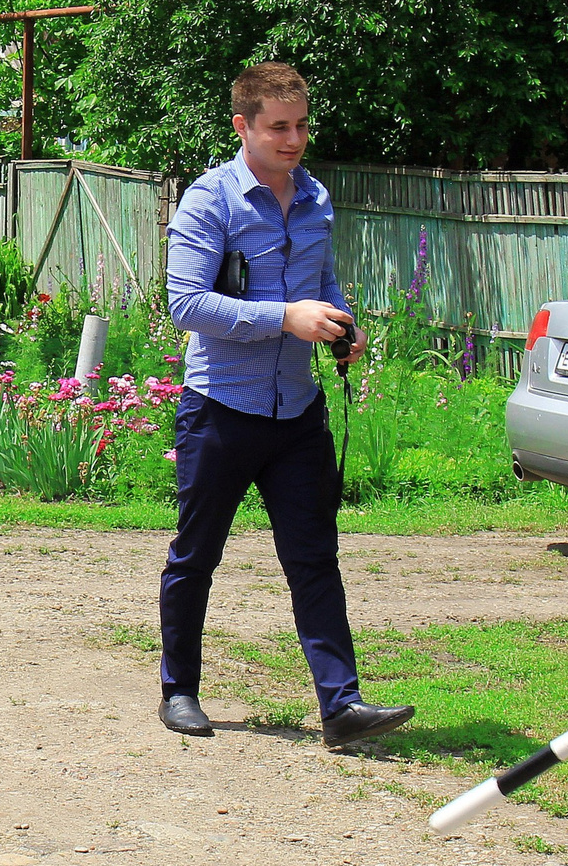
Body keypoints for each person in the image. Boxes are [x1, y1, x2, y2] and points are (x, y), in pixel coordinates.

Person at [157, 62, 414, 749]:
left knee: (314, 556)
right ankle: (178, 689)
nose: (294, 139)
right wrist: (285, 318)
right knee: (196, 554)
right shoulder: (209, 201)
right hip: (219, 409)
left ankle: (342, 706)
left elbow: (322, 282)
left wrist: (341, 323)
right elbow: (185, 303)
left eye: (301, 125)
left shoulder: (316, 199)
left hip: (297, 412)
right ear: (242, 126)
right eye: (279, 127)